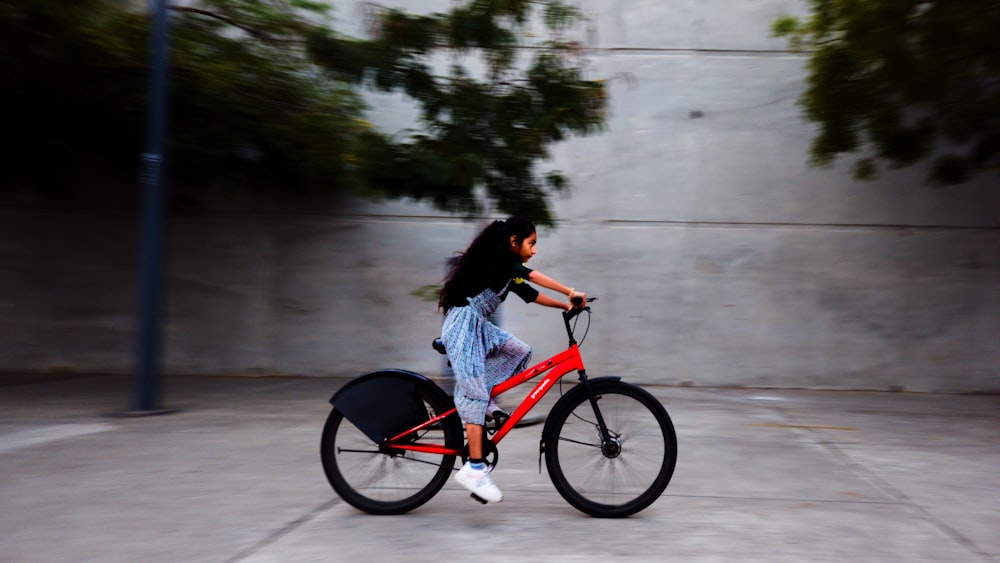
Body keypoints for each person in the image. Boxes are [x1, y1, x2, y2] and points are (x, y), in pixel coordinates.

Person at [438, 216, 585, 503]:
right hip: (463, 327)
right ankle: (475, 470)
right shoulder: (502, 260)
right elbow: (532, 275)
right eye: (531, 243)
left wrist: (565, 306)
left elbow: (532, 294)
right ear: (513, 242)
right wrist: (569, 291)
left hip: (477, 327)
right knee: (475, 394)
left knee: (519, 351)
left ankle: (483, 400)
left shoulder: (508, 272)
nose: (534, 250)